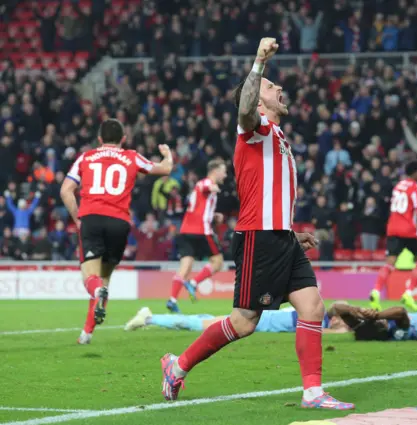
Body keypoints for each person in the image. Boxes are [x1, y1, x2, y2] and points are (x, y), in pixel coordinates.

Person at [160, 38, 354, 410]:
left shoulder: (278, 136)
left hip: (280, 237)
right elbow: (245, 106)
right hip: (257, 239)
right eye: (270, 86)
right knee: (245, 322)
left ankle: (313, 392)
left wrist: (290, 232)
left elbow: (268, 194)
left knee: (312, 307)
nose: (278, 87)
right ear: (259, 100)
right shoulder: (252, 127)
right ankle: (178, 365)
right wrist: (258, 64)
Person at [60, 119, 173, 345]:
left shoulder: (86, 157)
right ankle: (87, 333)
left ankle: (96, 296)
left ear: (99, 139)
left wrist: (78, 218)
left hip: (92, 218)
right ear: (123, 139)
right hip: (119, 223)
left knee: (90, 278)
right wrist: (167, 153)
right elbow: (165, 168)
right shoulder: (132, 156)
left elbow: (66, 190)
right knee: (104, 278)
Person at [369, 160, 417, 312]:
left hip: (392, 228)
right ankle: (408, 293)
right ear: (416, 172)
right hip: (408, 230)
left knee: (390, 261)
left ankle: (376, 291)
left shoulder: (399, 185)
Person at [167, 159, 228, 313]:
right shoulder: (205, 183)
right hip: (201, 231)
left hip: (186, 230)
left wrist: (214, 215)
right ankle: (193, 284)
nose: (225, 175)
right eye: (223, 171)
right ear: (215, 171)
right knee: (218, 262)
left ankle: (172, 300)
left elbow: (200, 207)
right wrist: (214, 187)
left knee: (185, 266)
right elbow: (206, 187)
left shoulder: (200, 186)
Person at [125, 307, 349, 334]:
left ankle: (150, 317)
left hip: (254, 319)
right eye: (343, 321)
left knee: (202, 321)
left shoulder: (314, 318)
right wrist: (340, 332)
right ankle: (149, 318)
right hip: (251, 318)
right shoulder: (314, 316)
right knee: (197, 325)